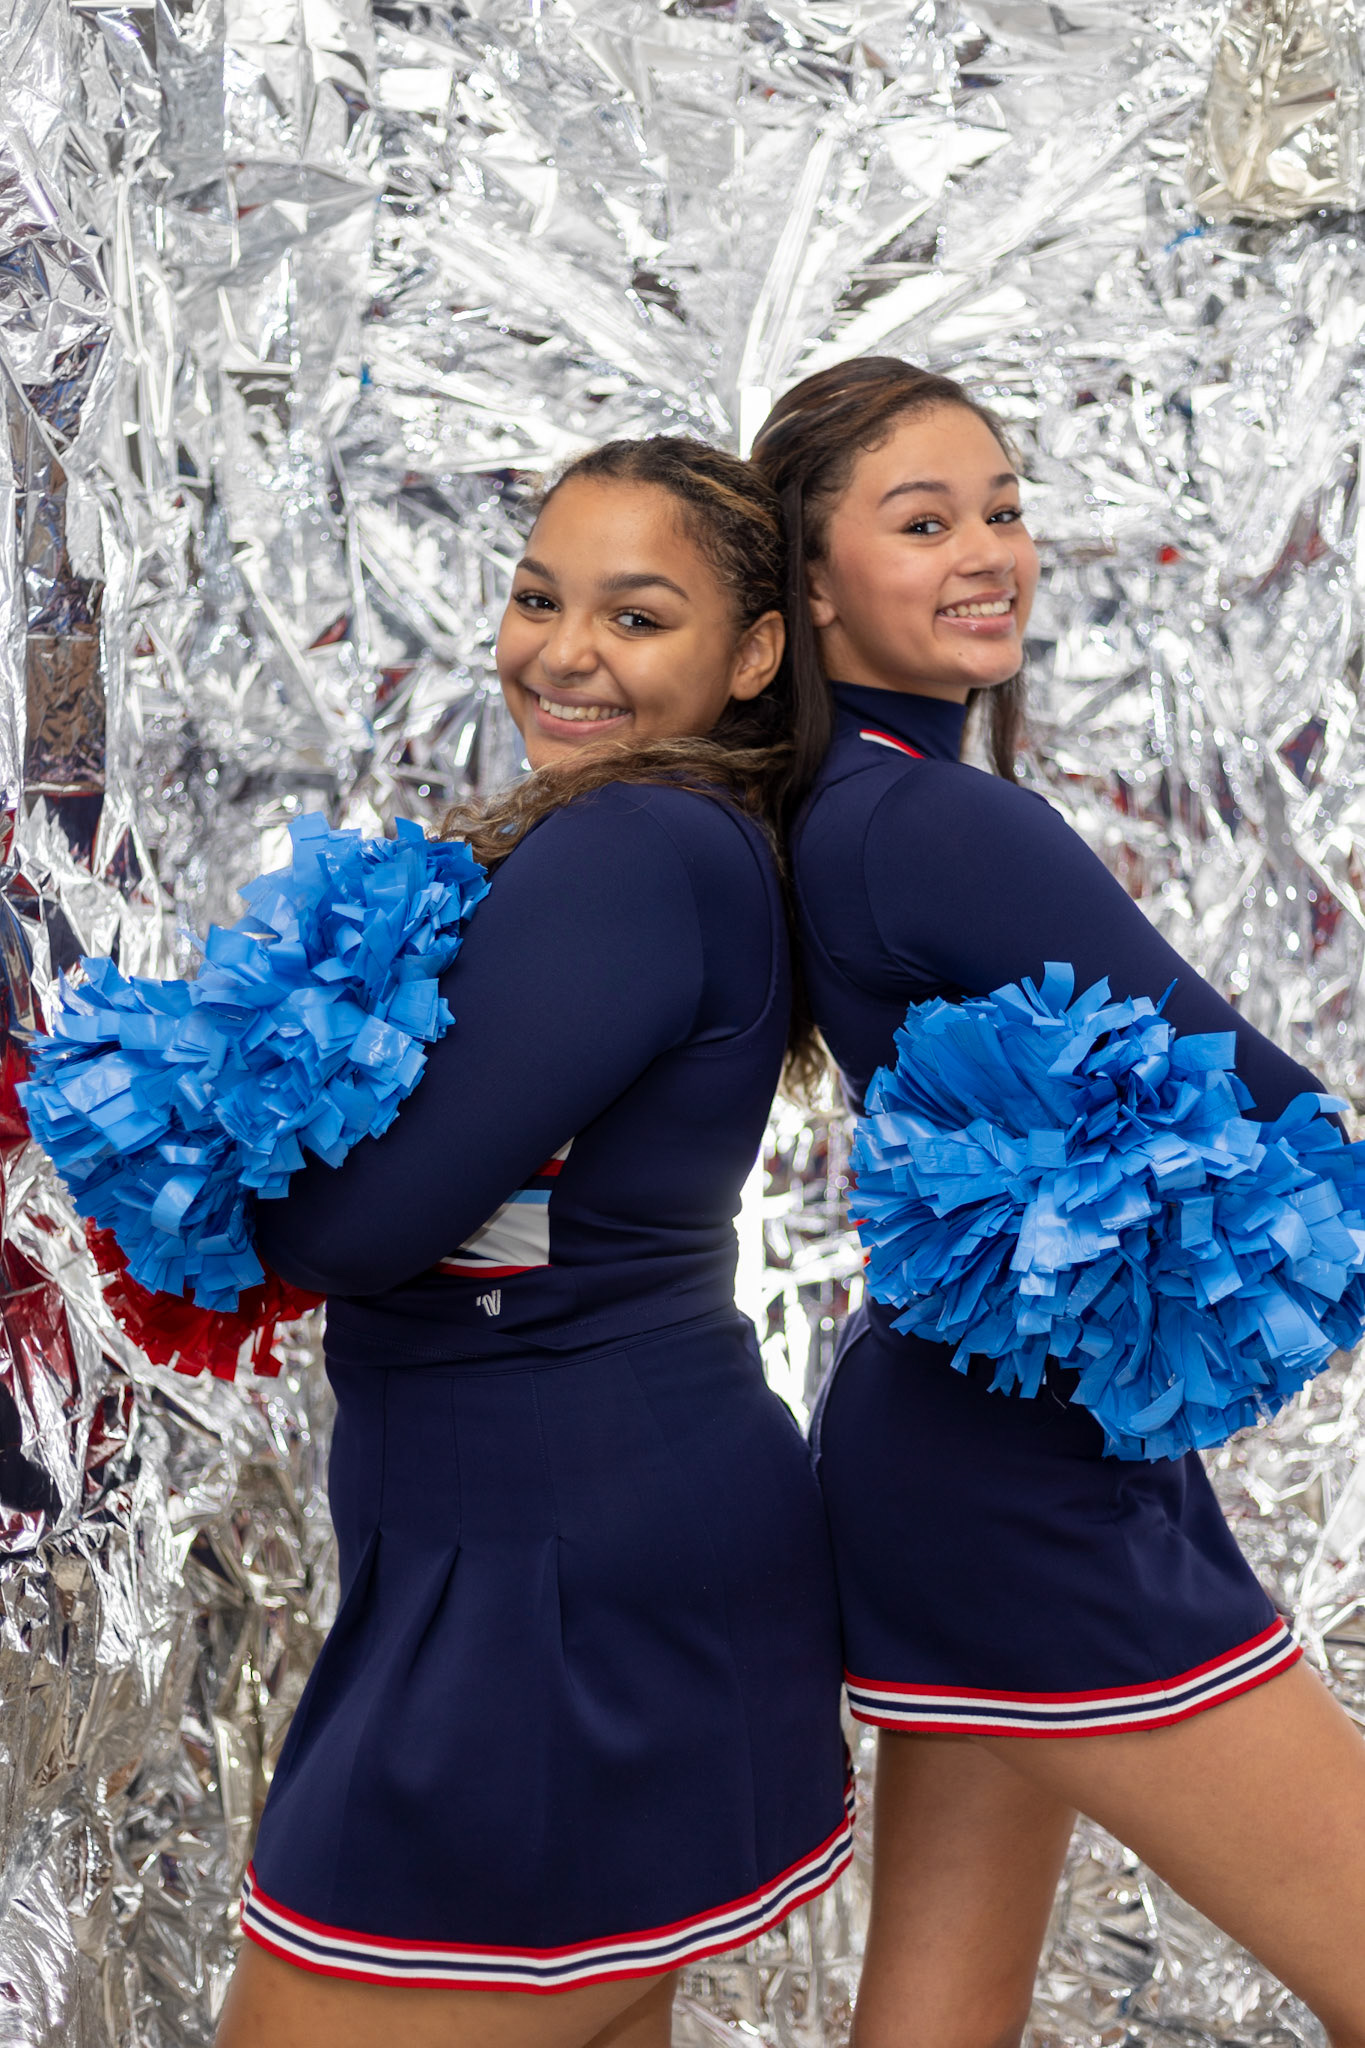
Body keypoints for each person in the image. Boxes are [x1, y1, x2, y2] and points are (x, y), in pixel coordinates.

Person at [752, 359, 1365, 2048]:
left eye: (1005, 509)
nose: (987, 550)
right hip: (1022, 1503)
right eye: (922, 519)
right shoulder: (935, 818)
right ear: (808, 583)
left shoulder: (844, 807)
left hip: (965, 1465)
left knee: (940, 2017)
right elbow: (1265, 1101)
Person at [214, 438, 851, 2048]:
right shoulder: (654, 839)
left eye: (636, 619)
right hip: (559, 1537)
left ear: (753, 653)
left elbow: (357, 1227)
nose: (562, 653)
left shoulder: (635, 846)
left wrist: (221, 1127)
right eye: (535, 598)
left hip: (552, 1571)